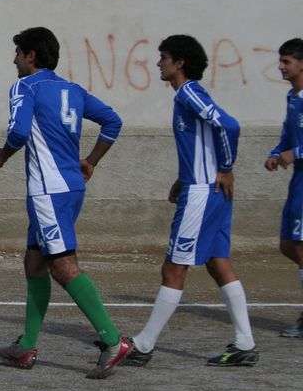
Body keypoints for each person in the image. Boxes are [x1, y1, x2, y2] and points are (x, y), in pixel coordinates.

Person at [0, 26, 131, 379]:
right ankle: (27, 345)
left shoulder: (26, 86)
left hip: (48, 191)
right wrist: (91, 161)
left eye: (18, 53)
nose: (14, 60)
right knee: (34, 261)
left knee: (63, 265)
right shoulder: (72, 89)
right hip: (69, 187)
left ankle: (113, 342)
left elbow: (19, 132)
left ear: (31, 56)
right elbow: (112, 122)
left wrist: (2, 155)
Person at [121, 35, 257, 367]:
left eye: (164, 57)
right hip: (206, 190)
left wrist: (226, 169)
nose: (158, 63)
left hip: (202, 194)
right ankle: (245, 343)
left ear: (180, 62)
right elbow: (204, 141)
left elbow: (229, 125)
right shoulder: (188, 95)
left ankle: (143, 346)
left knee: (173, 267)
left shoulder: (188, 93)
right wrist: (183, 178)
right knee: (217, 262)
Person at [264, 37, 303, 338]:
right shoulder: (293, 97)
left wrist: (296, 153)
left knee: (299, 245)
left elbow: (296, 147)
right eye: (280, 60)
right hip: (298, 181)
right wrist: (277, 153)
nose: (280, 66)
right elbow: (288, 134)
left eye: (286, 61)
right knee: (288, 245)